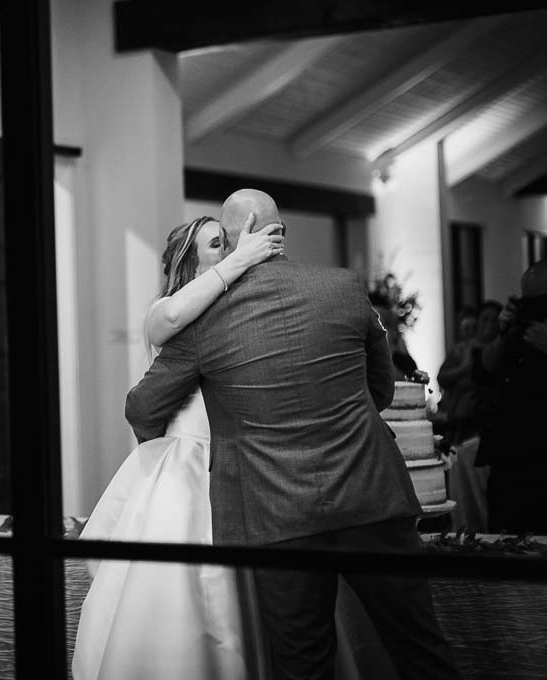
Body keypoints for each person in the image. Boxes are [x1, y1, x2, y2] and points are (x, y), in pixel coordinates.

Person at [125, 189, 461, 680]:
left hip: (275, 513)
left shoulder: (203, 319)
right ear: (277, 232)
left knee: (303, 665)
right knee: (420, 650)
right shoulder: (344, 287)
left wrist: (172, 450)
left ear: (238, 237)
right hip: (371, 496)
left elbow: (143, 407)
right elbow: (382, 388)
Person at [73, 211, 283, 680]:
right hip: (185, 469)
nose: (230, 252)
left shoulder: (239, 313)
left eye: (230, 246)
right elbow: (168, 322)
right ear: (187, 265)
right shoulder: (165, 312)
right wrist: (242, 260)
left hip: (239, 464)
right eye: (217, 246)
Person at [473, 259, 547, 534]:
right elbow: (482, 372)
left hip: (542, 456)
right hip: (509, 454)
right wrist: (503, 332)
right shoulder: (517, 328)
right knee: (505, 540)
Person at [437, 300, 501, 531]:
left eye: (494, 320)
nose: (489, 325)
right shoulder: (463, 350)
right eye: (485, 320)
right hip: (460, 422)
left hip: (483, 424)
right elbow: (443, 377)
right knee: (458, 479)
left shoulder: (501, 349)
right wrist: (466, 367)